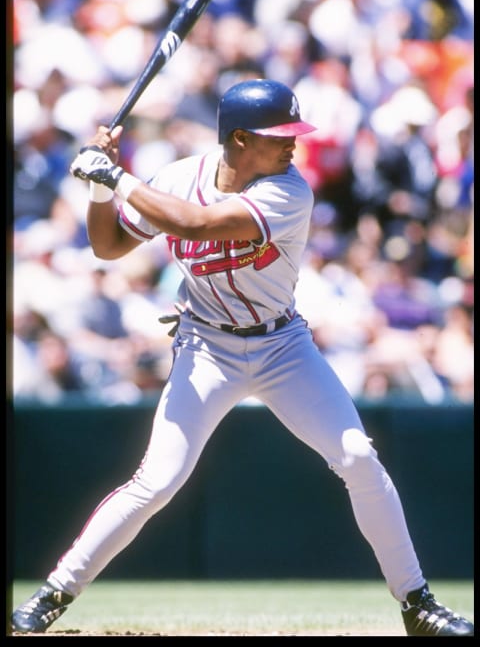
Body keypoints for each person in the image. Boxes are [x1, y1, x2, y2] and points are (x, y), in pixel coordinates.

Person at [11, 79, 473, 637]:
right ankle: (53, 594)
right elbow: (109, 247)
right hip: (206, 346)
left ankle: (417, 604)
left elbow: (195, 223)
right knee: (157, 480)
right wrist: (99, 191)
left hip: (283, 345)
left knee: (357, 457)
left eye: (292, 134)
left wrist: (117, 175)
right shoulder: (180, 176)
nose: (292, 145)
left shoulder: (290, 191)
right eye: (278, 136)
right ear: (237, 139)